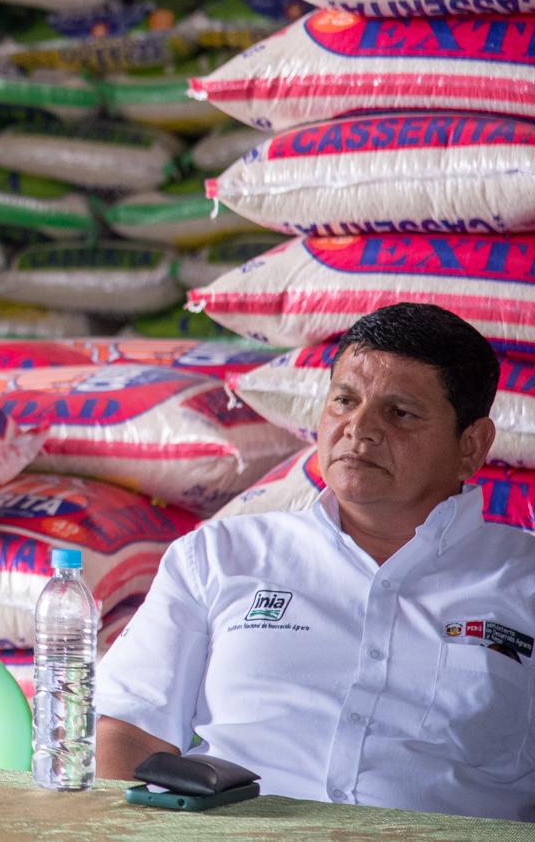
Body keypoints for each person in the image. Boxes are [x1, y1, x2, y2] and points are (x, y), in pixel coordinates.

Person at [96, 302, 535, 821]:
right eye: (344, 400)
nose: (360, 428)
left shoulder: (522, 581)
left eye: (400, 413)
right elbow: (128, 730)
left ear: (471, 446)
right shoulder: (218, 557)